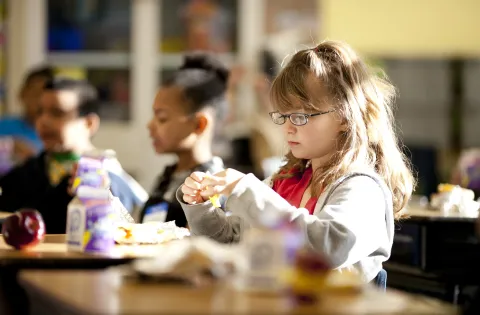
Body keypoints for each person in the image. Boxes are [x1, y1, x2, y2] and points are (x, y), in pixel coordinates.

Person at [178, 41, 415, 282]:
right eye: (284, 116)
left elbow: (329, 248)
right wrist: (201, 208)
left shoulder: (361, 188)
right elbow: (231, 241)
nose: (288, 128)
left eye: (301, 116)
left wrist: (247, 192)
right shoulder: (286, 180)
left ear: (345, 117)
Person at [0, 78, 146, 233]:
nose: (43, 121)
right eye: (40, 112)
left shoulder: (107, 178)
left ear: (89, 123)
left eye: (57, 113)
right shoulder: (27, 172)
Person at [139, 52, 227, 227]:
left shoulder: (212, 185)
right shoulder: (167, 177)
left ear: (199, 124)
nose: (150, 126)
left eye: (162, 118)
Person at [0, 66, 54, 162]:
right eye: (35, 93)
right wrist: (9, 145)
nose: (39, 101)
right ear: (22, 93)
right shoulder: (3, 125)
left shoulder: (58, 133)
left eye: (43, 95)